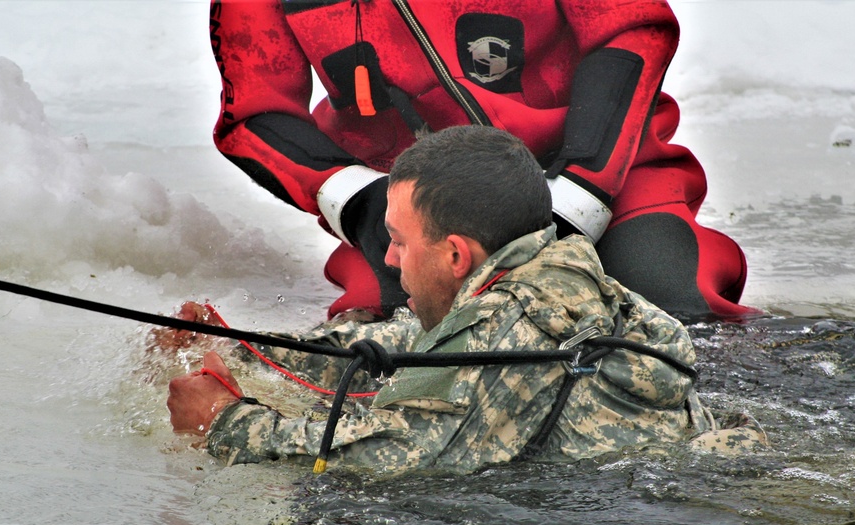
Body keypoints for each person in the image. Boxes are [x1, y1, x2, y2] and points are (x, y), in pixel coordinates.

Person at [167, 126, 763, 474]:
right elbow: (398, 347)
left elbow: (409, 455)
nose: (391, 259)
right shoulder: (532, 270)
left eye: (398, 241)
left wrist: (224, 424)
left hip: (679, 504)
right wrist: (236, 345)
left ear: (456, 255)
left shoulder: (516, 324)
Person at [209, 0, 757, 321]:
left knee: (675, 311)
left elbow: (630, 27)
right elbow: (254, 115)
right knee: (381, 346)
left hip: (609, 178)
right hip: (417, 213)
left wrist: (581, 189)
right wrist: (366, 205)